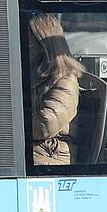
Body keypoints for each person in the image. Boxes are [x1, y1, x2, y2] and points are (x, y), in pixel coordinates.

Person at [29, 12, 84, 166]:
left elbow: (44, 125)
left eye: (26, 39)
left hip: (48, 157)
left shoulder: (66, 80)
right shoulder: (32, 74)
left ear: (43, 43)